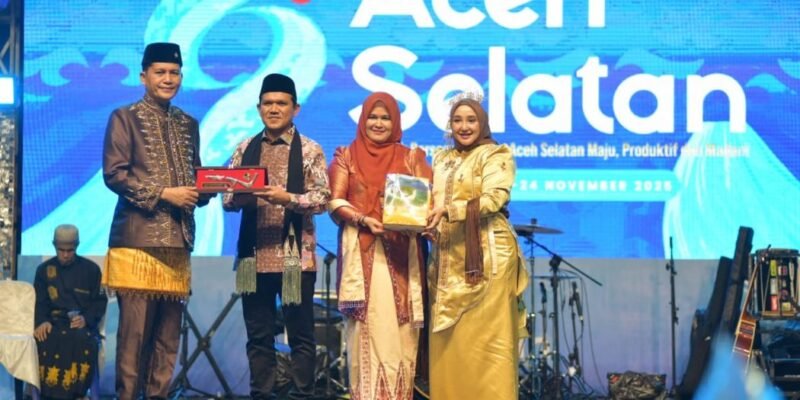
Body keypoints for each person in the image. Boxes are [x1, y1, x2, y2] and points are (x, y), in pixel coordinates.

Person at [102, 42, 210, 400]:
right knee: (134, 337)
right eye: (160, 72)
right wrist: (166, 194)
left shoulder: (188, 124)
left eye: (174, 73)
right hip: (138, 242)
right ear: (143, 76)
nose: (168, 79)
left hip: (177, 243)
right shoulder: (125, 117)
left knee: (167, 340)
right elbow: (115, 175)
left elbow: (194, 177)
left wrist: (212, 187)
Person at [222, 73, 330, 400]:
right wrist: (240, 197)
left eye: (281, 103)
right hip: (250, 258)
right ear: (258, 108)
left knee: (300, 336)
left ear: (295, 108)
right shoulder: (245, 148)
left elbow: (323, 198)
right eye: (267, 103)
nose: (274, 109)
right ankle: (262, 394)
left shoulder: (310, 149)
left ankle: (302, 394)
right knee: (257, 336)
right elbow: (228, 200)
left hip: (295, 258)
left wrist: (290, 199)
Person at [424, 94, 529, 399]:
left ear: (482, 123)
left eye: (471, 120)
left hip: (487, 260)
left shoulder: (496, 155)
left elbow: (495, 198)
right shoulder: (441, 158)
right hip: (445, 260)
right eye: (458, 120)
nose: (464, 126)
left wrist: (449, 211)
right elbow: (431, 201)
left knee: (487, 347)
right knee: (450, 345)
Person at [328, 92, 431, 399]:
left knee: (401, 334)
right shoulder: (345, 155)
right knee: (365, 332)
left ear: (396, 121)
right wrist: (362, 219)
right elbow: (335, 201)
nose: (378, 123)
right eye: (373, 116)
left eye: (386, 117)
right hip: (363, 255)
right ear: (362, 119)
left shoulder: (413, 157)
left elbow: (428, 200)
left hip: (403, 258)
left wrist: (419, 217)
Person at [33, 224, 107, 400]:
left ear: (77, 246)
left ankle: (78, 394)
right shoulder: (43, 271)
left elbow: (99, 302)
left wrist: (85, 319)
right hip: (53, 323)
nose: (65, 255)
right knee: (46, 338)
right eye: (61, 250)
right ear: (54, 246)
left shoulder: (92, 270)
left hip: (80, 326)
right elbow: (39, 302)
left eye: (70, 250)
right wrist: (41, 321)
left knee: (79, 339)